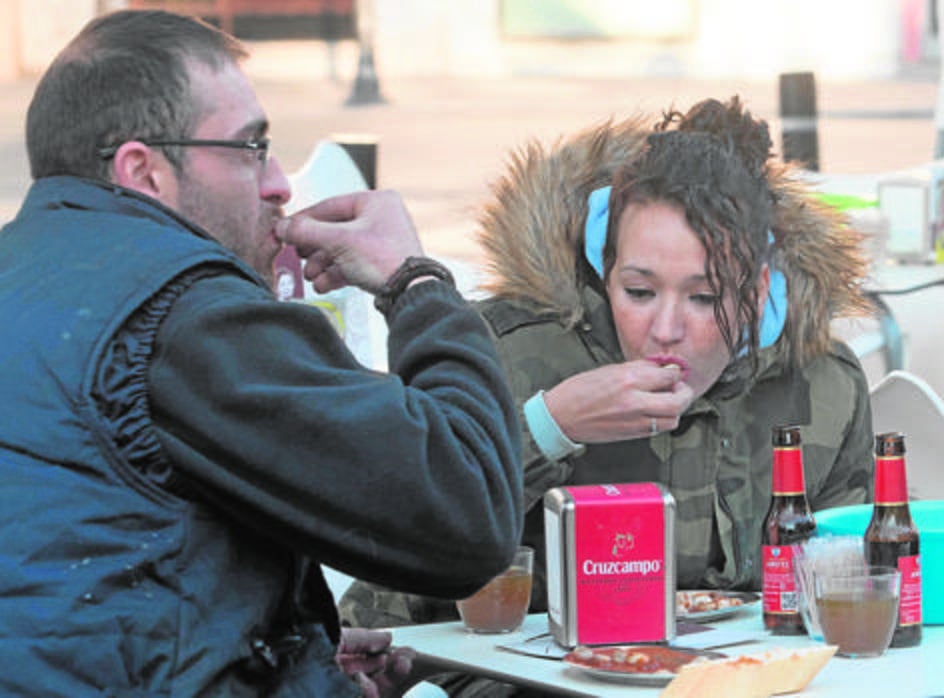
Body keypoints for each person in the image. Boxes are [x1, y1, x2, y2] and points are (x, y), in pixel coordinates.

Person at [0, 10, 523, 697]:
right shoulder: (184, 311)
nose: (278, 182)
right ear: (143, 170)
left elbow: (100, 580)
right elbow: (468, 519)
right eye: (252, 147)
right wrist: (414, 280)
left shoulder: (25, 276)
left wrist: (295, 657)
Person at [340, 96, 875, 655]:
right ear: (605, 266)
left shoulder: (824, 384)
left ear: (759, 291)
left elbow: (853, 595)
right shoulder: (505, 352)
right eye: (638, 292)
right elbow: (394, 547)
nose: (665, 329)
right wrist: (550, 426)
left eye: (704, 297)